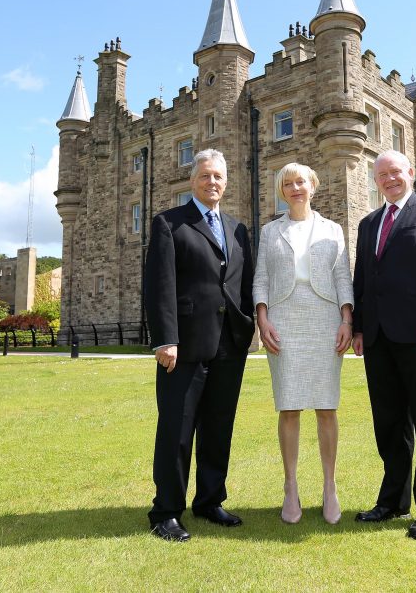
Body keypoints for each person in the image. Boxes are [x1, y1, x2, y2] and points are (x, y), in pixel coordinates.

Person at [143, 148, 255, 542]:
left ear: (226, 182)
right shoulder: (170, 224)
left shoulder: (238, 229)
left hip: (229, 345)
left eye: (219, 177)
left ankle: (209, 501)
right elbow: (159, 287)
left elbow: (244, 283)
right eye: (206, 176)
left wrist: (248, 329)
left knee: (218, 428)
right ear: (193, 180)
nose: (212, 182)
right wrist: (165, 339)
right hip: (185, 345)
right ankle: (166, 510)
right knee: (177, 428)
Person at [351, 149, 416, 540]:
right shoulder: (367, 223)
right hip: (378, 338)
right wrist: (360, 328)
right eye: (381, 175)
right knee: (389, 424)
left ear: (410, 173)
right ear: (375, 180)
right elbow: (363, 279)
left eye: (395, 172)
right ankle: (392, 500)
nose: (389, 179)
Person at [253, 163, 353, 525]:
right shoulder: (269, 231)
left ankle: (330, 486)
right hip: (283, 320)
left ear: (313, 186)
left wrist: (346, 319)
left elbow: (343, 275)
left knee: (327, 407)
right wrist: (262, 318)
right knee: (290, 407)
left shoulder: (333, 229)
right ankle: (291, 486)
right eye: (288, 184)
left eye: (301, 182)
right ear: (282, 190)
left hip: (326, 319)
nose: (295, 188)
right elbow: (260, 276)